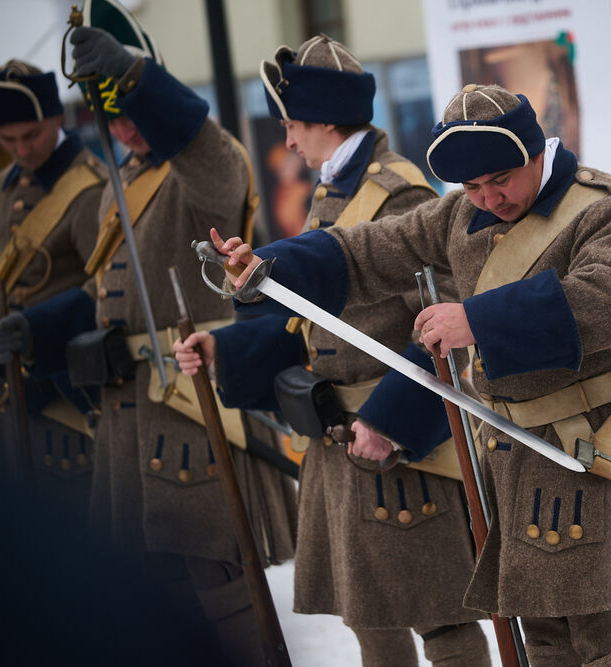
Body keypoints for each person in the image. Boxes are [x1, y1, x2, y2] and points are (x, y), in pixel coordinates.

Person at [215, 82, 611, 666]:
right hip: (515, 463)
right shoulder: (460, 214)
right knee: (547, 646)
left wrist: (477, 319)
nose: (489, 198)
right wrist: (269, 266)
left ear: (535, 153)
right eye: (472, 186)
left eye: (501, 179)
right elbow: (367, 251)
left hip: (596, 452)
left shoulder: (608, 208)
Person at [0, 3, 295, 664]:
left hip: (190, 402)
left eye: (132, 110)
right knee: (157, 596)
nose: (124, 128)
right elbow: (102, 296)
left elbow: (200, 141)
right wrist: (32, 328)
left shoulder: (203, 164)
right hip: (127, 418)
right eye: (113, 113)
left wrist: (135, 77)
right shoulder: (121, 181)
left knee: (221, 584)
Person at [174, 35, 491, 667]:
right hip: (341, 439)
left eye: (292, 124)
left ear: (323, 120)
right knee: (370, 619)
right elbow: (312, 324)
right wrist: (225, 349)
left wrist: (392, 420)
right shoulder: (333, 192)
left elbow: (449, 328)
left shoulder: (398, 195)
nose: (288, 141)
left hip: (401, 447)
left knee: (443, 622)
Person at [0, 59, 106, 508]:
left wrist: (36, 331)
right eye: (8, 139)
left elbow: (109, 291)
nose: (21, 150)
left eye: (31, 135)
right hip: (14, 408)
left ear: (56, 118)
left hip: (72, 403)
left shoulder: (92, 188)